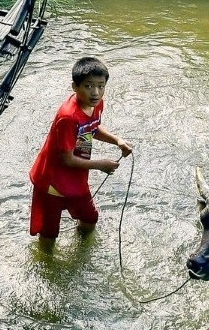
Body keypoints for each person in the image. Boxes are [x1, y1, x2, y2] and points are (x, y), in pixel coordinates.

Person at [29, 56, 133, 240]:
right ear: (74, 87)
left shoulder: (96, 104)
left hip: (75, 174)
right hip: (52, 179)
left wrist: (117, 140)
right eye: (88, 86)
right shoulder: (68, 118)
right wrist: (100, 164)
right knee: (49, 232)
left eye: (101, 86)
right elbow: (66, 159)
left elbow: (92, 127)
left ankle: (82, 253)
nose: (96, 92)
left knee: (89, 218)